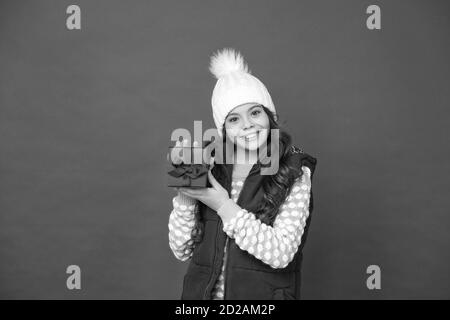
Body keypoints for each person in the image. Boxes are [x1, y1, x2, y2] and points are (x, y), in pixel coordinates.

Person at [167, 48, 317, 300]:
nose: (247, 125)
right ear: (223, 128)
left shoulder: (294, 171)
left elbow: (281, 253)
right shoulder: (209, 164)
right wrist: (187, 194)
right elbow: (181, 250)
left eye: (255, 113)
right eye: (234, 119)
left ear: (270, 116)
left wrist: (222, 204)